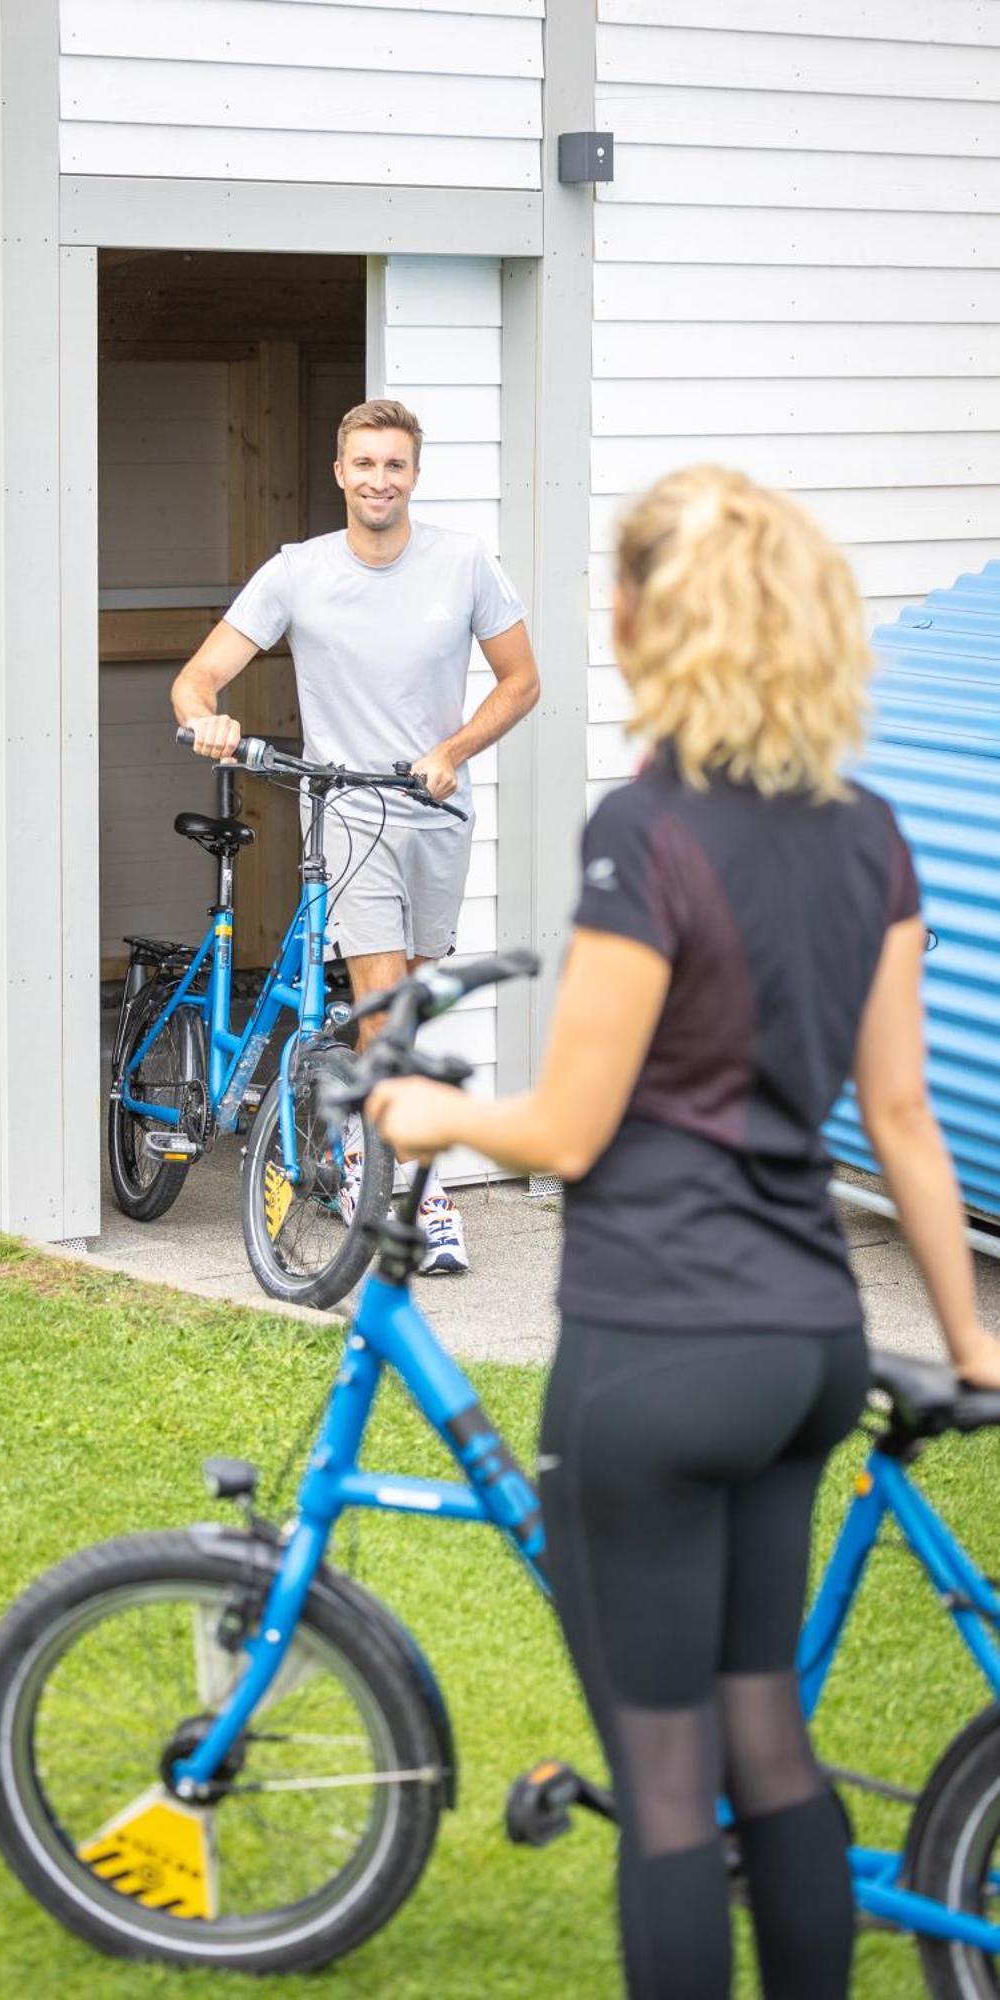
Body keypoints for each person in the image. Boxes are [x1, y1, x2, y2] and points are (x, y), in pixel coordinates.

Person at [367, 464, 1000, 1997]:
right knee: (766, 1750)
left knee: (664, 1793)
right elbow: (903, 1121)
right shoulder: (869, 833)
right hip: (803, 1352)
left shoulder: (643, 831)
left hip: (658, 1347)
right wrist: (972, 1341)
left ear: (652, 617)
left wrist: (433, 1116)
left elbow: (570, 1130)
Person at [172, 397, 539, 1275]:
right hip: (344, 809)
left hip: (436, 809)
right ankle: (415, 1187)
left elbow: (521, 680)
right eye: (364, 464)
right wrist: (207, 721)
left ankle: (351, 1153)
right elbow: (198, 679)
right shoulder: (297, 572)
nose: (380, 480)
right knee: (382, 998)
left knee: (407, 998)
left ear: (415, 475)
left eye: (395, 465)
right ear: (340, 473)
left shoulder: (463, 565)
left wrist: (452, 749)